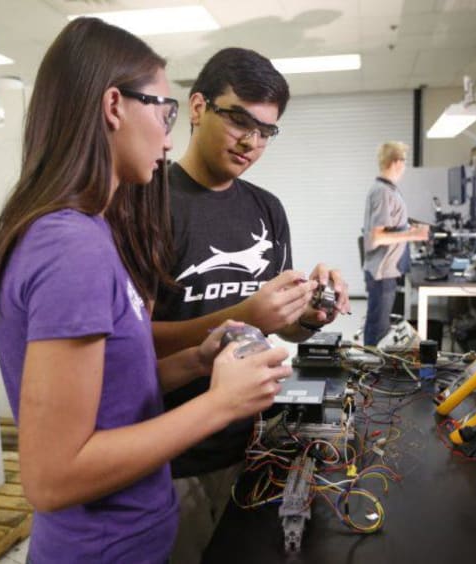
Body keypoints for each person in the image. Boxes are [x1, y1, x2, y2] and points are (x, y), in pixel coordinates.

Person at [0, 19, 291, 564]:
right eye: (163, 111)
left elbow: (110, 397)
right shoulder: (70, 246)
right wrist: (221, 404)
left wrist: (196, 359)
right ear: (115, 105)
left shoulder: (87, 231)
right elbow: (53, 478)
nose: (169, 137)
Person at [151, 47, 350, 563]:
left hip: (249, 445)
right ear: (196, 107)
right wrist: (247, 314)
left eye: (266, 131)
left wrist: (310, 315)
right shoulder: (145, 202)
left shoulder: (266, 209)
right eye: (240, 120)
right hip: (168, 454)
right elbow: (126, 339)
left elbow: (282, 328)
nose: (252, 142)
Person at [362, 141, 429, 346]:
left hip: (387, 269)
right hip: (382, 271)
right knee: (378, 329)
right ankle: (371, 371)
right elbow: (378, 237)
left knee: (377, 324)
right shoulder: (383, 192)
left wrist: (409, 226)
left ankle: (371, 366)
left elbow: (391, 226)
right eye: (404, 162)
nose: (404, 167)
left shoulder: (388, 190)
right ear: (396, 162)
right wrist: (413, 235)